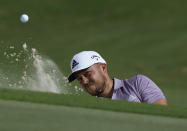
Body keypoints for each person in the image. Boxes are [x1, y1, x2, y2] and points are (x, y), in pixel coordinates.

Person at [68, 51, 168, 106]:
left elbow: (161, 114)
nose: (84, 81)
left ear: (103, 68)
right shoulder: (91, 107)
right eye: (79, 79)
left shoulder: (138, 83)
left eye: (87, 74)